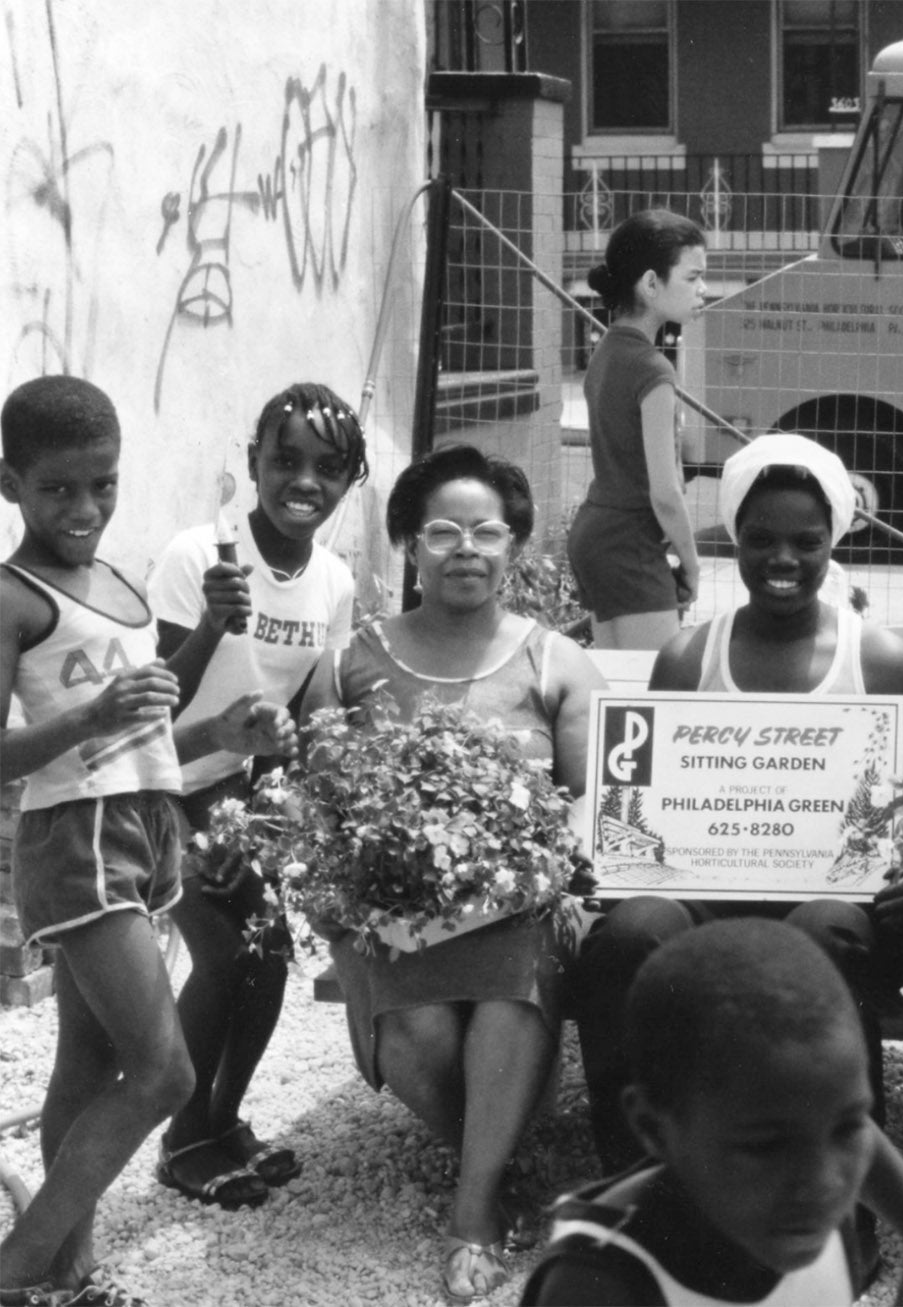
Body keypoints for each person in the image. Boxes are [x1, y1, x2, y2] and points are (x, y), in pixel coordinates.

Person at [0, 375, 293, 1307]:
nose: (84, 508)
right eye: (57, 489)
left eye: (103, 484)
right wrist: (92, 713)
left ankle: (63, 1263)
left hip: (144, 826)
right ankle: (14, 1270)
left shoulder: (118, 580)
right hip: (76, 841)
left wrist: (215, 663)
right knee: (164, 1070)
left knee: (88, 1064)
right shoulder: (12, 595)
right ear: (9, 482)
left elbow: (147, 721)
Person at [574, 434, 903, 1178]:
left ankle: (841, 1196)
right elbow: (645, 797)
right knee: (629, 933)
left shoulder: (880, 660)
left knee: (822, 932)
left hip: (843, 906)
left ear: (833, 540)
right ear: (734, 539)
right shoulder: (687, 656)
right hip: (709, 895)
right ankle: (637, 1174)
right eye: (760, 538)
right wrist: (615, 855)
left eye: (806, 541)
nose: (783, 558)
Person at [299, 444, 606, 1302]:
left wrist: (536, 866)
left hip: (521, 912)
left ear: (513, 546)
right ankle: (504, 1160)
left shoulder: (555, 661)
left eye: (486, 531)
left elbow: (590, 803)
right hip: (396, 917)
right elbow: (319, 801)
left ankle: (474, 1207)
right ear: (408, 543)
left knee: (509, 986)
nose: (465, 547)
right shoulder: (354, 660)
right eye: (442, 530)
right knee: (416, 1035)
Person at [148, 382, 368, 1213]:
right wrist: (211, 623)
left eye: (327, 466)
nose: (303, 480)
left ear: (350, 480)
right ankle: (181, 1139)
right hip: (166, 784)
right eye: (285, 460)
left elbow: (310, 710)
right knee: (223, 951)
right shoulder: (196, 556)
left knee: (269, 949)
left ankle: (222, 1117)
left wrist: (279, 814)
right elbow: (157, 710)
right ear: (253, 464)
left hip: (241, 794)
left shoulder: (335, 579)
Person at [522, 918, 903, 1306]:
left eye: (847, 1127)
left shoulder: (820, 1131)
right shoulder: (598, 1283)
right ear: (652, 1127)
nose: (824, 1181)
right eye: (766, 1146)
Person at [568, 209, 707, 650]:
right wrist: (692, 564)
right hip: (630, 545)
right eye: (692, 277)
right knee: (654, 694)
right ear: (650, 285)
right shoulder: (653, 369)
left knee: (613, 693)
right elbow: (665, 493)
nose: (703, 289)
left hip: (595, 535)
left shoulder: (606, 351)